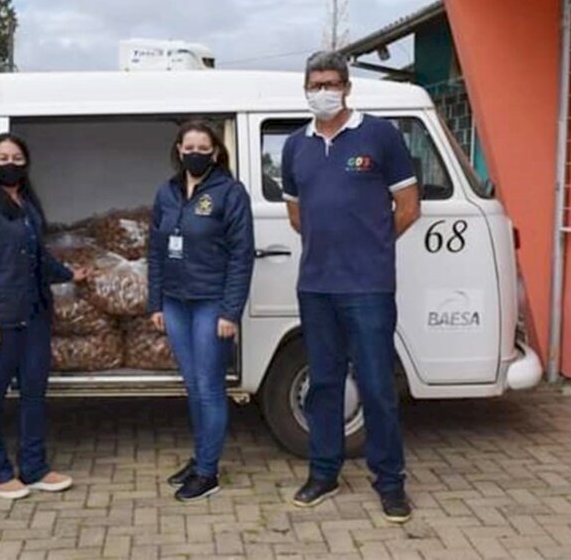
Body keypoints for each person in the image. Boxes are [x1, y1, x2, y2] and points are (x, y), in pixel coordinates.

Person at [280, 51, 421, 523]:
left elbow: (408, 205)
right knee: (323, 384)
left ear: (347, 87)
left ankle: (391, 482)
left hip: (368, 287)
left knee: (377, 385)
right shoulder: (295, 146)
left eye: (333, 82)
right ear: (305, 88)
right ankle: (323, 472)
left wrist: (372, 245)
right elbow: (297, 215)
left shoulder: (379, 135)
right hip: (316, 286)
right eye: (316, 83)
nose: (324, 91)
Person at [0, 132, 88, 500]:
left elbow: (38, 257)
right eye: (3, 157)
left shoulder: (28, 204)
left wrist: (68, 274)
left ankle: (34, 468)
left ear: (26, 162)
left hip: (33, 314)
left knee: (34, 394)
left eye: (17, 157)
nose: (10, 163)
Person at [147, 120, 255, 502]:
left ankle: (208, 472)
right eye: (187, 147)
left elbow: (242, 255)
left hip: (211, 303)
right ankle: (199, 459)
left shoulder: (230, 192)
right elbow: (156, 250)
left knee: (209, 388)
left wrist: (230, 311)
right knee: (193, 386)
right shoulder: (167, 192)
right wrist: (155, 302)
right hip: (175, 302)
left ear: (215, 152)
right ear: (178, 150)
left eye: (202, 147)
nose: (194, 153)